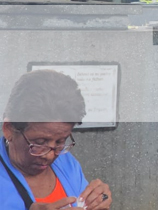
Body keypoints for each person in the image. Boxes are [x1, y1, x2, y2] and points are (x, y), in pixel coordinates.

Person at [1, 69, 112, 209]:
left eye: (60, 141)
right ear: (9, 129)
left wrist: (97, 201)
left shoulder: (67, 163)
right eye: (39, 143)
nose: (50, 155)